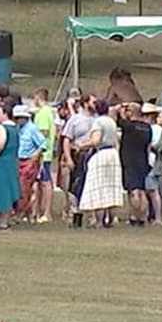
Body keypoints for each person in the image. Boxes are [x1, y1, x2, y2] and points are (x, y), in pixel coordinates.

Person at [78, 101, 123, 229]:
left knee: (99, 187)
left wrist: (82, 145)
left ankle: (99, 221)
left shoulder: (98, 122)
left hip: (102, 153)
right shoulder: (111, 122)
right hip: (113, 154)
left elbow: (96, 141)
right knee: (111, 187)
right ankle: (110, 219)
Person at [61, 94, 96, 228]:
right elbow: (66, 139)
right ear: (86, 103)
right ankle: (75, 214)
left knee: (90, 185)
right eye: (93, 102)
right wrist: (68, 158)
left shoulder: (97, 119)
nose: (95, 104)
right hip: (78, 154)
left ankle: (91, 217)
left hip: (92, 154)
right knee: (75, 186)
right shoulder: (75, 119)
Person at [117, 103, 153, 227]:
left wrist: (121, 110)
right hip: (142, 160)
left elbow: (119, 120)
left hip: (129, 160)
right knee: (142, 190)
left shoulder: (129, 126)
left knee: (133, 191)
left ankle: (134, 216)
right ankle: (143, 217)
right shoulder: (147, 128)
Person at [14, 103, 47, 221]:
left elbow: (43, 144)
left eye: (19, 118)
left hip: (29, 161)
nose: (17, 120)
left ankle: (20, 213)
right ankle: (27, 213)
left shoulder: (32, 129)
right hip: (18, 160)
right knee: (21, 187)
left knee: (24, 186)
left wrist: (34, 157)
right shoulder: (18, 129)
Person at [30, 89, 58, 223]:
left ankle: (46, 212)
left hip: (43, 153)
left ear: (38, 97)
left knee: (46, 182)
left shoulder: (43, 112)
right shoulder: (48, 112)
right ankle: (38, 211)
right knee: (41, 183)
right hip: (45, 152)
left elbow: (43, 132)